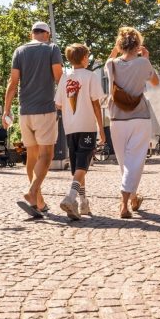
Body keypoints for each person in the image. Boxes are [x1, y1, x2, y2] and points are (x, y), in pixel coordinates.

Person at [3, 21, 63, 218]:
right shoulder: (52, 49)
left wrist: (6, 111)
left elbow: (13, 83)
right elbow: (59, 78)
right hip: (45, 110)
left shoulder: (19, 51)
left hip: (25, 112)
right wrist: (65, 102)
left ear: (32, 34)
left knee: (32, 156)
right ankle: (31, 192)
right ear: (47, 34)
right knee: (46, 155)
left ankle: (39, 202)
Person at [105, 27, 159, 219]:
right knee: (134, 162)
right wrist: (146, 57)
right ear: (138, 45)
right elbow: (155, 82)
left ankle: (133, 198)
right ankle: (124, 203)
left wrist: (116, 49)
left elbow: (110, 59)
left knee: (124, 163)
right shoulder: (143, 63)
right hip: (139, 117)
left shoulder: (111, 64)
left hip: (117, 118)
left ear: (120, 45)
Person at [54, 43, 105, 220]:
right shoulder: (90, 76)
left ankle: (83, 203)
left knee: (77, 167)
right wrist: (101, 129)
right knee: (83, 165)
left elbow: (58, 104)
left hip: (70, 128)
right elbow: (96, 104)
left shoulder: (64, 78)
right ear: (84, 58)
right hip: (87, 126)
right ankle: (71, 197)